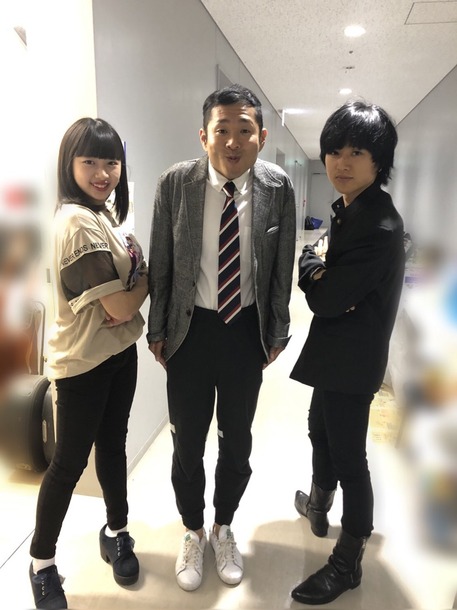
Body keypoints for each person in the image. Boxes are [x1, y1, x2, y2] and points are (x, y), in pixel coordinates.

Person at [147, 84, 296, 591]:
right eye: (222, 130)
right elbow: (161, 261)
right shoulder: (176, 184)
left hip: (244, 330)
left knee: (237, 440)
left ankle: (223, 525)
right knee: (187, 442)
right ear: (204, 136)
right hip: (190, 331)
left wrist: (277, 328)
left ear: (261, 136)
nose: (233, 142)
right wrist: (158, 328)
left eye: (244, 130)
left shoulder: (277, 187)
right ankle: (192, 529)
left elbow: (281, 266)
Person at [29, 118, 148, 609]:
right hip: (83, 365)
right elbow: (120, 304)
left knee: (113, 446)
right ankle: (41, 564)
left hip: (118, 353)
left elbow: (123, 298)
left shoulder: (103, 215)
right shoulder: (76, 221)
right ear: (70, 165)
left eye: (111, 162)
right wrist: (147, 279)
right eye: (90, 162)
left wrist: (133, 284)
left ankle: (116, 531)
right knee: (68, 465)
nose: (103, 173)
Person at [289, 101, 405, 605]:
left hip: (353, 360)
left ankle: (347, 562)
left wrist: (314, 268)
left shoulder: (378, 225)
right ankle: (318, 506)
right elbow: (324, 273)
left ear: (379, 160)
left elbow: (326, 297)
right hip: (336, 350)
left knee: (351, 460)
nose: (341, 162)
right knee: (319, 430)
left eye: (356, 152)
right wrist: (320, 267)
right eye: (334, 151)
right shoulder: (351, 208)